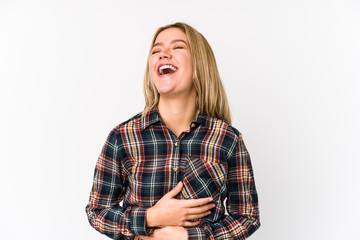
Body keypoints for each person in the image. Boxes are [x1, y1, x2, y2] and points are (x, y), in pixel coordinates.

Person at [85, 22, 260, 240]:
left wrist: (189, 236)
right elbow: (97, 211)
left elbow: (247, 216)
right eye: (156, 50)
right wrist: (150, 217)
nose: (163, 54)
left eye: (177, 47)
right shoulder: (122, 137)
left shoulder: (227, 139)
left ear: (200, 63)